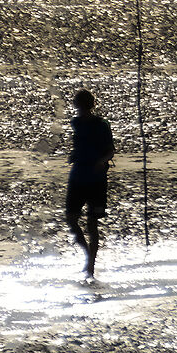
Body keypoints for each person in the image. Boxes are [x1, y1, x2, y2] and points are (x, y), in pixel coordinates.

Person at [65, 89, 115, 279]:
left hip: (96, 179)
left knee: (92, 224)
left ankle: (91, 265)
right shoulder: (75, 123)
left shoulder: (102, 125)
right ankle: (88, 255)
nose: (80, 109)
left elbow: (110, 151)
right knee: (71, 219)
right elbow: (79, 147)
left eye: (82, 105)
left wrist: (101, 161)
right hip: (77, 176)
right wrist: (74, 155)